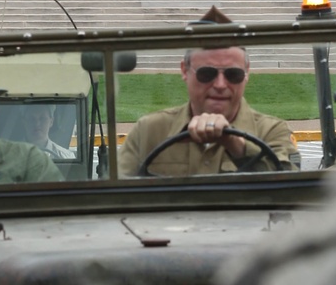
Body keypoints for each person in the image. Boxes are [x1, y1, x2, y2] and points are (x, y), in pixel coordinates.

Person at [121, 31, 300, 178]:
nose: (220, 85)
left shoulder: (273, 132)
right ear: (184, 71)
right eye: (206, 74)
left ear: (246, 73)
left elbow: (293, 193)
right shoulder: (149, 131)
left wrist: (238, 146)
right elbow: (112, 199)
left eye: (233, 74)